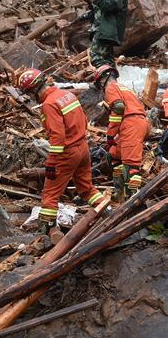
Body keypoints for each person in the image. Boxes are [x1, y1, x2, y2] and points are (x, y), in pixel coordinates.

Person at [15, 69, 104, 240]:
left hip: (67, 153)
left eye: (29, 93)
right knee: (86, 188)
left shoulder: (49, 104)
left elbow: (57, 136)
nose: (30, 97)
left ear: (34, 90)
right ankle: (107, 211)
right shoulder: (66, 95)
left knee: (50, 194)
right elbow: (84, 120)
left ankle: (46, 232)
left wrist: (51, 161)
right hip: (83, 147)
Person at [90, 65, 148, 199]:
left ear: (103, 80)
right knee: (114, 155)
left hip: (131, 124)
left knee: (131, 163)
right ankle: (119, 193)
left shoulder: (111, 88)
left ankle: (133, 200)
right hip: (138, 122)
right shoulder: (124, 88)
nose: (100, 87)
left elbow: (119, 107)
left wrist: (111, 134)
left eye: (99, 83)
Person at [88, 0, 130, 68]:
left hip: (108, 29)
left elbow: (114, 5)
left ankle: (104, 77)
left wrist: (97, 0)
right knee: (107, 58)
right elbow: (100, 8)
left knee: (96, 56)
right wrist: (92, 1)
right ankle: (112, 77)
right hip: (101, 28)